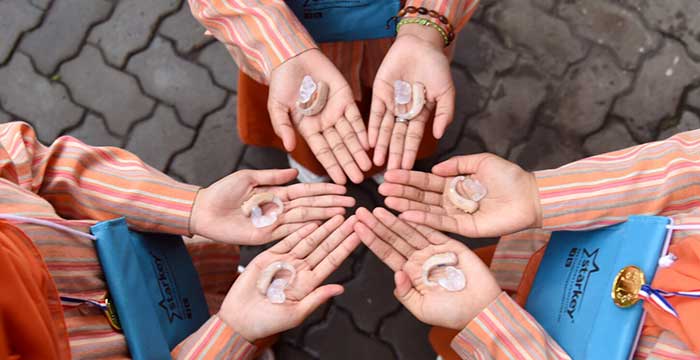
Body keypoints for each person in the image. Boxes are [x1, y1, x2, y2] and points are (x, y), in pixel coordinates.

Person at [0, 121, 358, 359]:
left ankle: (252, 327)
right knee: (248, 326)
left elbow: (35, 164)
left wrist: (191, 207)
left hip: (162, 260)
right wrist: (230, 337)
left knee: (223, 287)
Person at [365, 129, 700, 358]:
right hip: (572, 247)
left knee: (463, 321)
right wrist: (539, 197)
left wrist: (492, 329)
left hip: (529, 343)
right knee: (480, 280)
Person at [188, 0, 480, 184]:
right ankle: (310, 163)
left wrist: (425, 28)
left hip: (399, 40)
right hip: (291, 50)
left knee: (388, 114)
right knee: (308, 125)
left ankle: (384, 161)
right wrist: (279, 47)